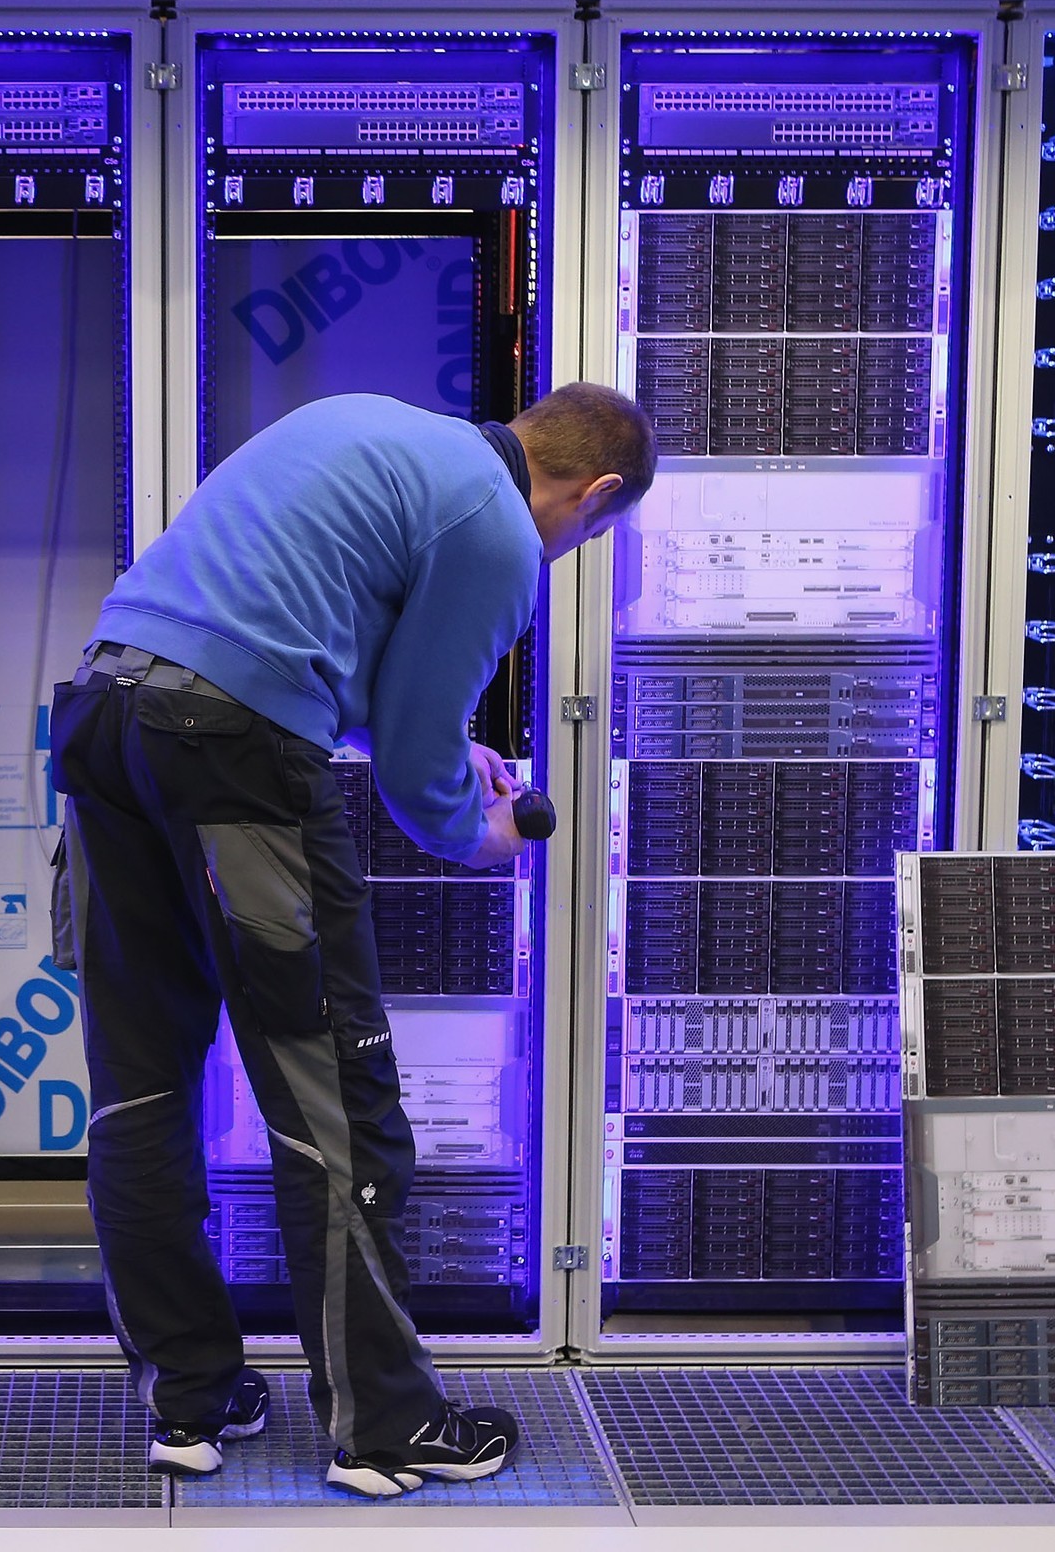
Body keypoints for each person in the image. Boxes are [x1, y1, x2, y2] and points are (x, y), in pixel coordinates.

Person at [47, 384, 658, 1497]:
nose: (572, 550)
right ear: (592, 491)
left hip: (100, 714)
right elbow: (414, 774)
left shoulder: (379, 429)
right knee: (333, 1094)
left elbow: (311, 645)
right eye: (592, 534)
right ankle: (383, 1425)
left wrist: (442, 746)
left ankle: (191, 1396)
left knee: (138, 1084)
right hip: (231, 749)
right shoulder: (498, 528)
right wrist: (479, 832)